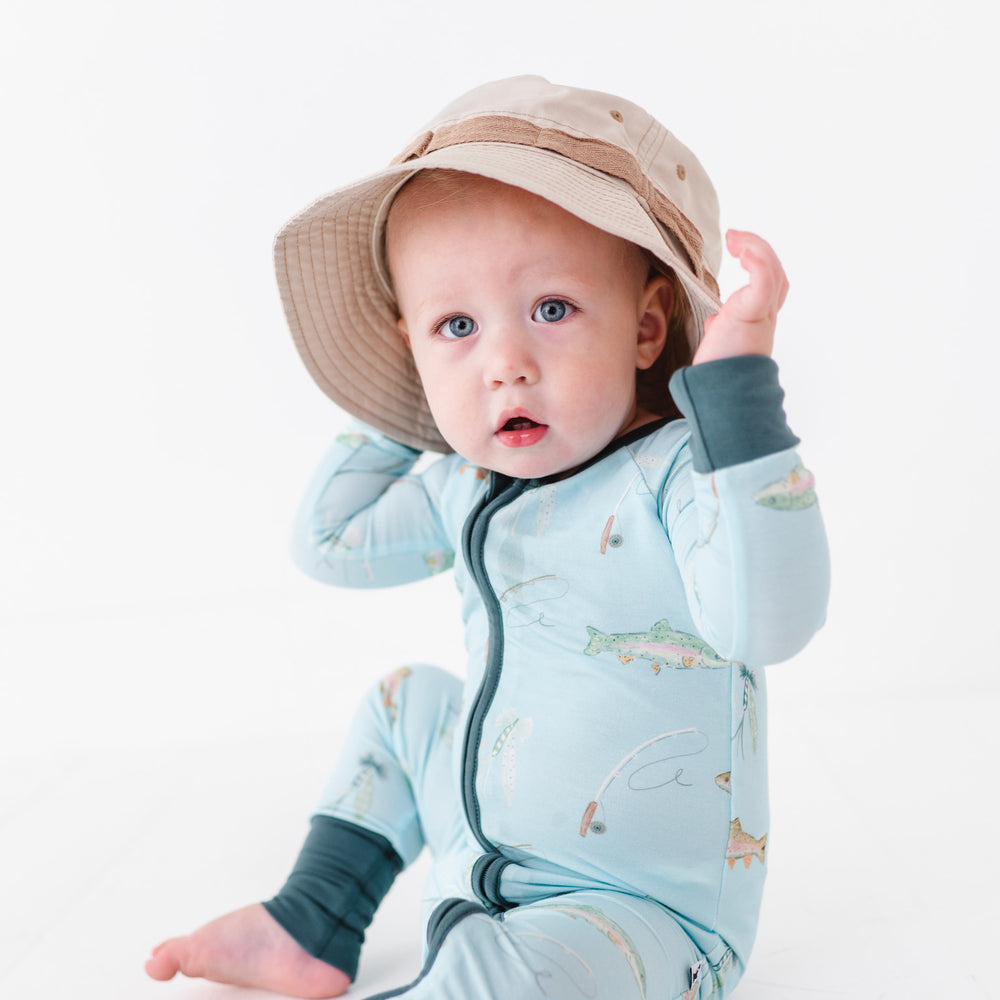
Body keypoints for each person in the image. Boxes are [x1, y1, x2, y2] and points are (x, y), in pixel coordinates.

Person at [146, 76, 829, 1000]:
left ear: (646, 326)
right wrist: (416, 398)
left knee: (501, 978)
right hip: (478, 870)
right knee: (405, 705)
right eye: (456, 325)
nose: (505, 362)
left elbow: (770, 621)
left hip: (633, 922)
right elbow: (328, 540)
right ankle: (315, 917)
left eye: (551, 309)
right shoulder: (466, 485)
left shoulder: (680, 475)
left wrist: (739, 399)